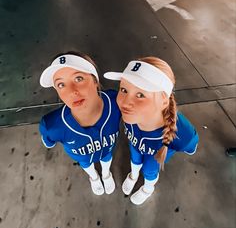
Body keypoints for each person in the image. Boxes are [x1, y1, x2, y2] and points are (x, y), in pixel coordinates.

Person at [104, 57, 199, 205]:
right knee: (135, 158)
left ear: (164, 100)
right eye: (124, 89)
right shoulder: (132, 116)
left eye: (140, 94)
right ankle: (133, 175)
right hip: (136, 145)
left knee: (150, 170)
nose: (125, 102)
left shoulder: (181, 132)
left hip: (156, 154)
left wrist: (190, 149)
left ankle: (147, 189)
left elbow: (191, 143)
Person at [39, 53, 121, 196]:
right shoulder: (51, 125)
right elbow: (48, 142)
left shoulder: (116, 102)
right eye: (61, 84)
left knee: (107, 156)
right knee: (86, 164)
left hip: (107, 150)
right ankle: (94, 178)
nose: (71, 91)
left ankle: (107, 174)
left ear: (95, 80)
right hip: (83, 159)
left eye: (79, 78)